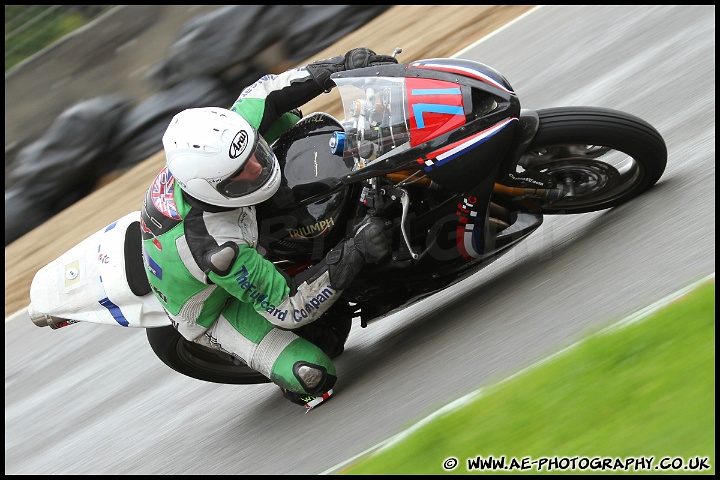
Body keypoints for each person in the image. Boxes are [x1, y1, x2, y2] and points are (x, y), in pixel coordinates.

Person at [139, 48, 397, 410]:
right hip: (217, 308)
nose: (257, 169)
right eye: (240, 173)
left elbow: (270, 91)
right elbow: (289, 307)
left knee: (286, 115)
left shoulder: (225, 143)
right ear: (210, 188)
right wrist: (354, 250)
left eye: (253, 156)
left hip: (241, 219)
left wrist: (342, 67)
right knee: (314, 372)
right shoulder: (215, 248)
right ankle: (267, 356)